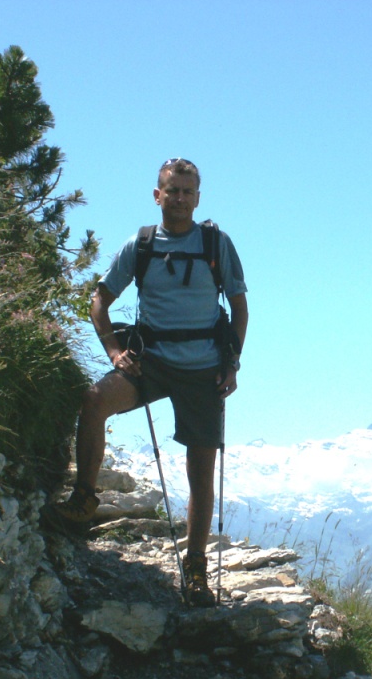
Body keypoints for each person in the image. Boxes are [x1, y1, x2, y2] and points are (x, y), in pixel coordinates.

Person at [43, 158, 248, 607]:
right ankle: (84, 501)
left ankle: (194, 569)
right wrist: (115, 353)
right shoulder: (141, 245)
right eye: (171, 190)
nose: (178, 198)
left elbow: (239, 309)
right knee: (94, 400)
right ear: (157, 195)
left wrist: (231, 364)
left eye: (186, 191)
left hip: (203, 367)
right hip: (150, 360)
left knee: (200, 471)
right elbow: (98, 302)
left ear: (197, 198)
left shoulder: (216, 243)